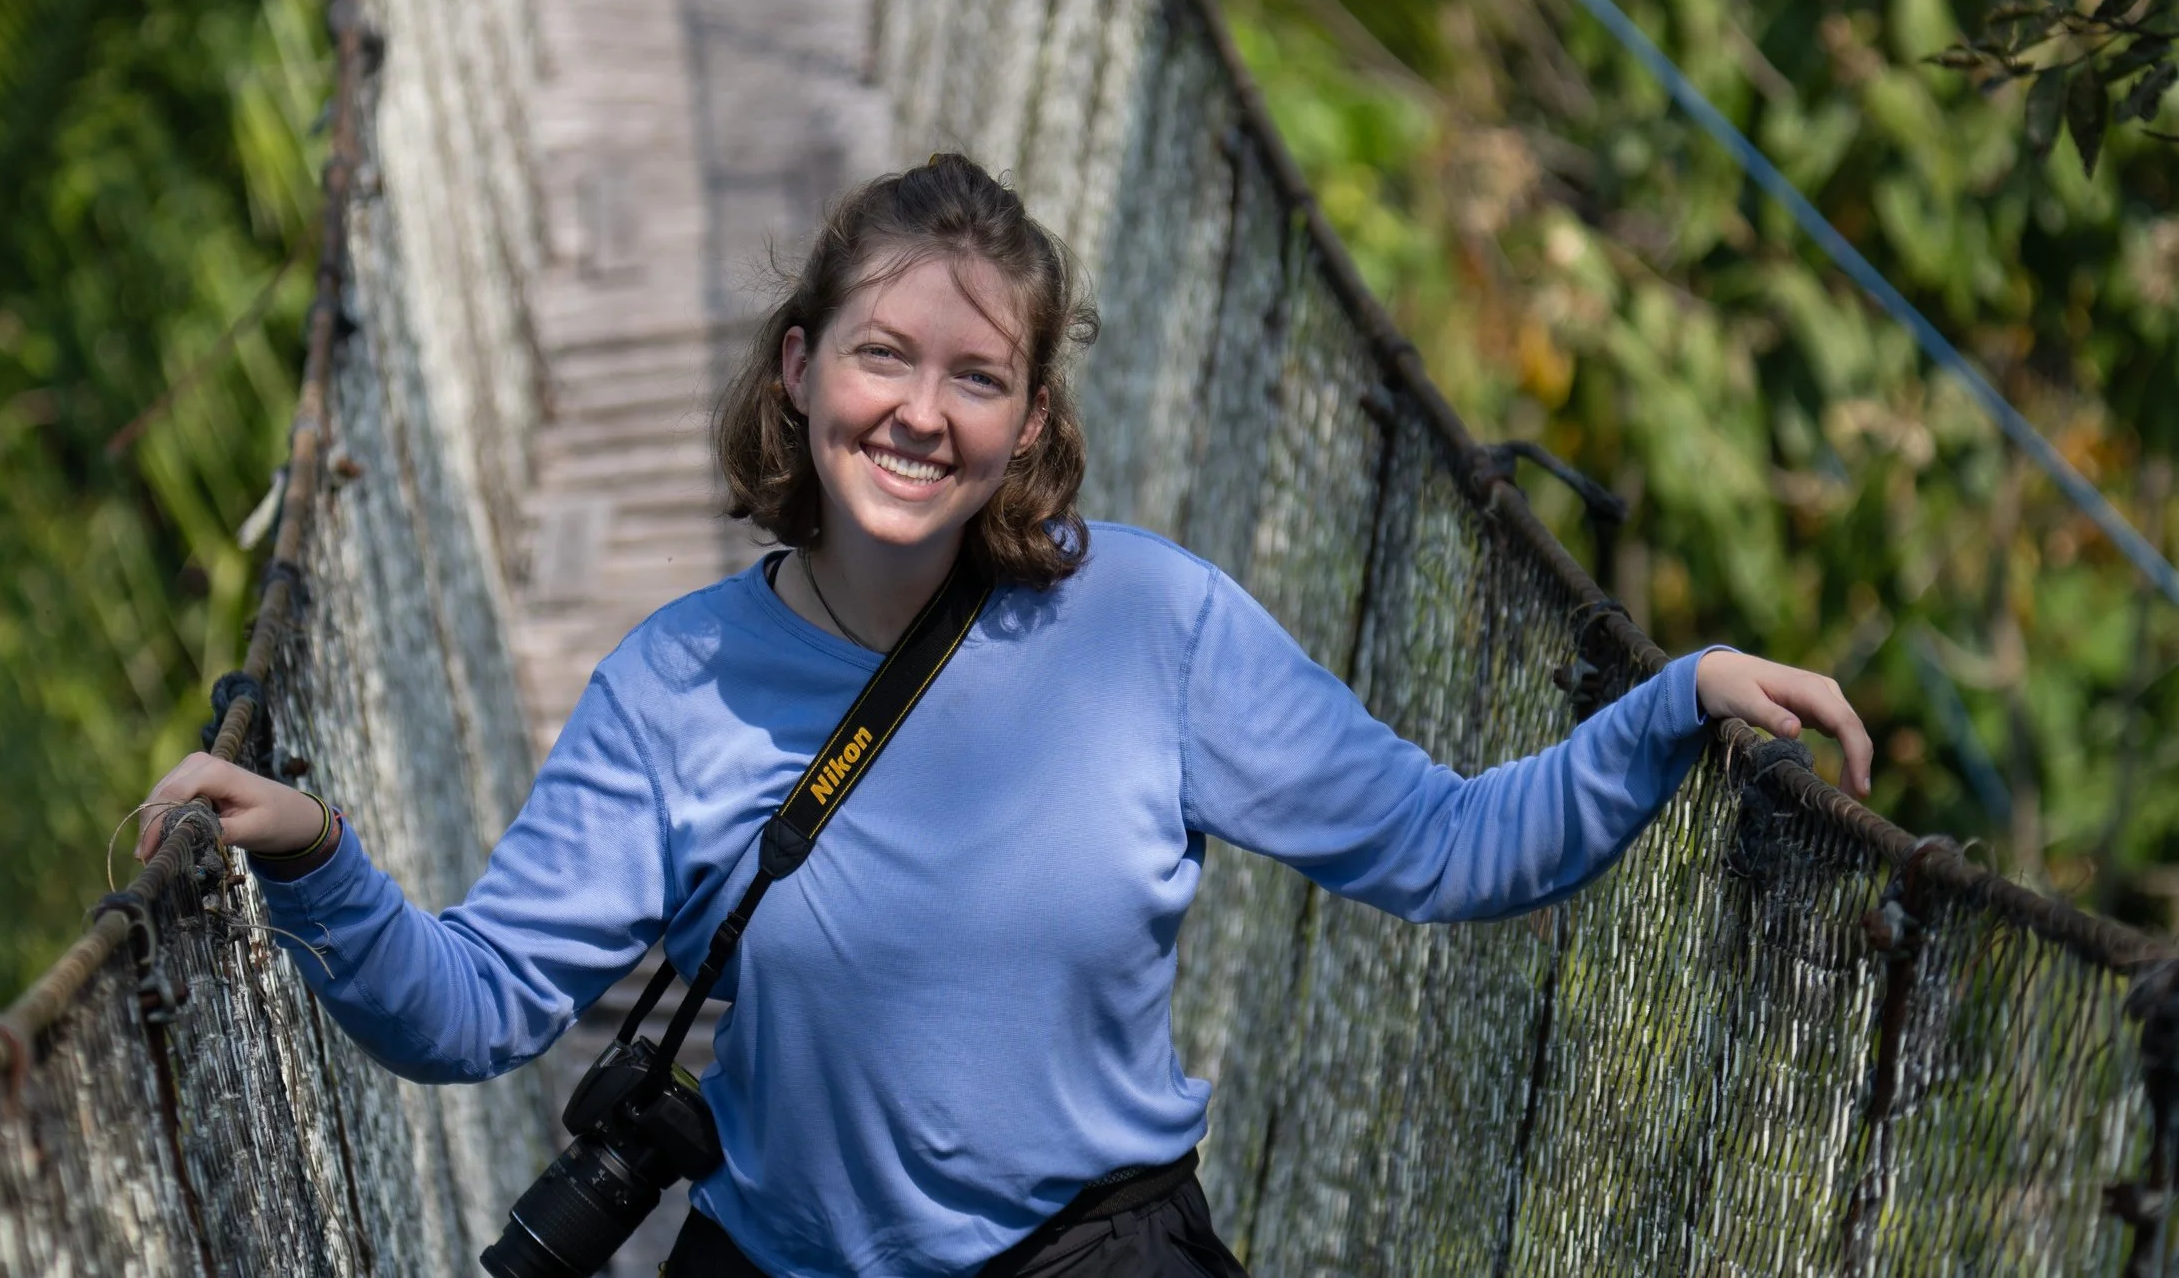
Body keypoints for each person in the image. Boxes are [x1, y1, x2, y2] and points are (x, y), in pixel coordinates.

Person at [137, 153, 1871, 1278]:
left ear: (1031, 417)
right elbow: (475, 1005)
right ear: (800, 363)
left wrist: (1669, 704)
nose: (921, 412)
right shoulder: (676, 684)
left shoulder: (1152, 627)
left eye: (978, 377)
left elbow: (1445, 844)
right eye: (882, 356)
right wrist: (315, 855)